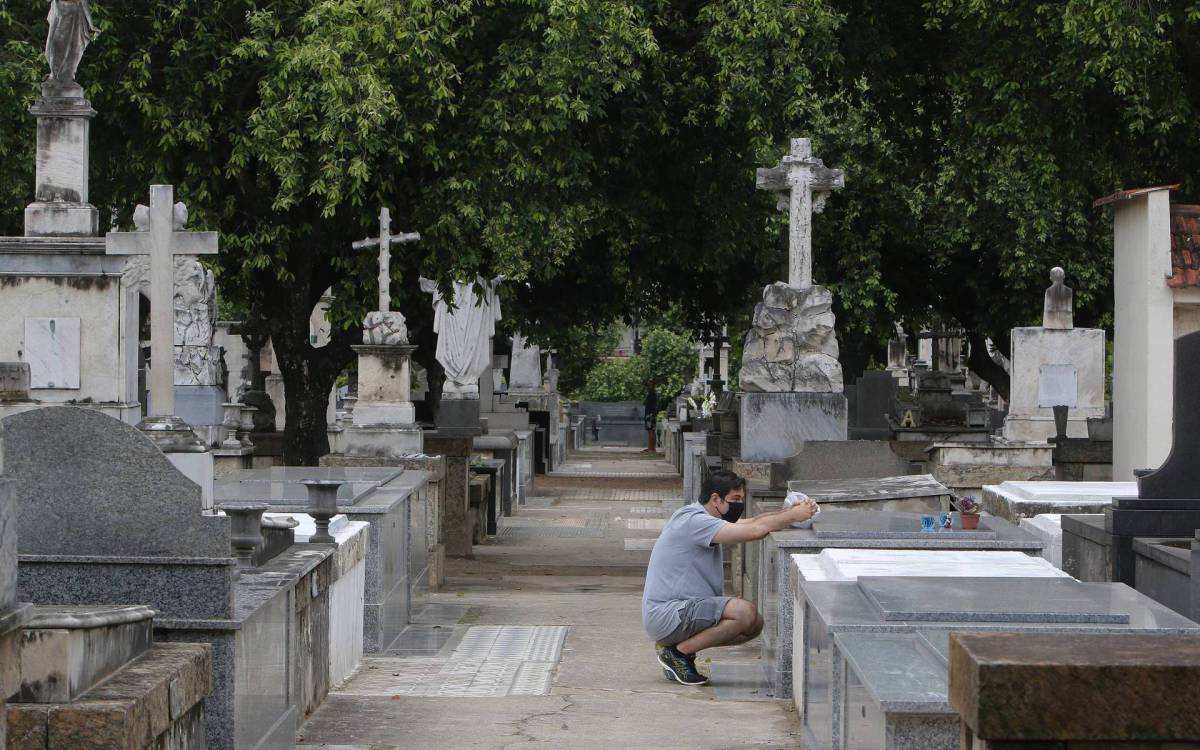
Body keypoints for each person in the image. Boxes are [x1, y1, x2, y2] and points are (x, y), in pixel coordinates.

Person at [642, 469, 818, 685]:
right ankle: (678, 654)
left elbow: (753, 521)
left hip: (679, 612)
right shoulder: (695, 522)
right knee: (744, 614)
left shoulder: (699, 516)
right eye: (735, 499)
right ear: (715, 499)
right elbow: (755, 531)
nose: (739, 505)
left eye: (741, 499)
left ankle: (678, 650)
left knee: (754, 625)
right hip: (670, 613)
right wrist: (792, 516)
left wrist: (788, 513)